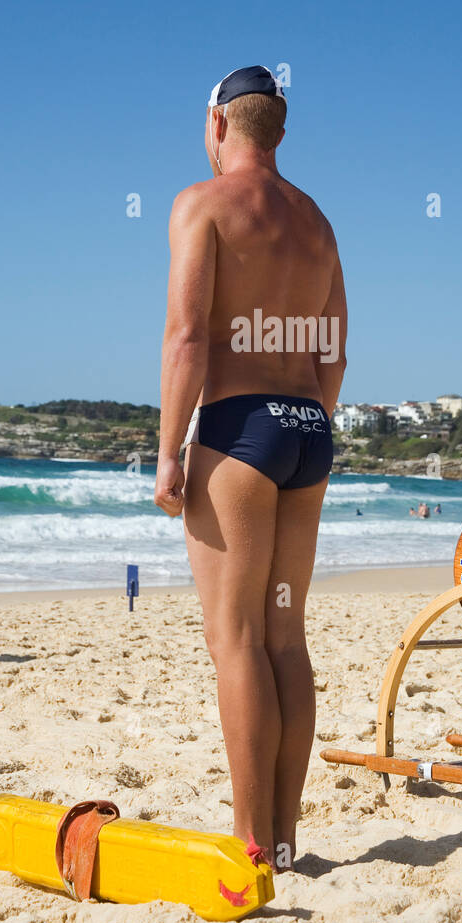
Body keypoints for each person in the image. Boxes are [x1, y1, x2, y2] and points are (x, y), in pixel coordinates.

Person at [154, 66, 347, 872]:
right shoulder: (316, 220)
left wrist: (169, 451)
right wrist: (313, 422)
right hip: (307, 431)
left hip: (237, 431)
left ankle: (249, 841)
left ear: (218, 123)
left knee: (234, 640)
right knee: (283, 639)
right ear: (279, 129)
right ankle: (288, 837)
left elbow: (189, 337)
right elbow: (333, 348)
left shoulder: (201, 205)